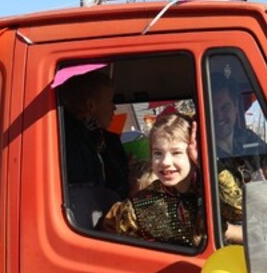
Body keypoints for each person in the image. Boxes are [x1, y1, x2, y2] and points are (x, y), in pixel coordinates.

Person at [102, 113, 205, 247]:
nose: (165, 162)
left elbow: (233, 210)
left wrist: (204, 163)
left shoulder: (211, 189)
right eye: (158, 153)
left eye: (176, 153)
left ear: (193, 154)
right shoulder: (137, 205)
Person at [211, 82, 267, 242]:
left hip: (265, 224)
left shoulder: (248, 138)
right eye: (212, 110)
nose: (218, 116)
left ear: (235, 107)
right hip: (228, 239)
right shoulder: (201, 150)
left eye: (225, 107)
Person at [58, 70, 130, 199]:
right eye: (110, 101)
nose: (114, 107)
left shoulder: (104, 139)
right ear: (91, 105)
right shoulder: (70, 143)